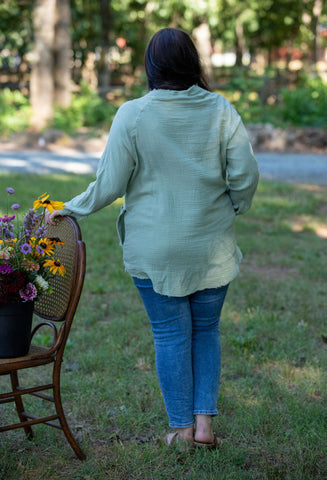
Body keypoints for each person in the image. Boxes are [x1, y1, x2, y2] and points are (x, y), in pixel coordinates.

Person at [46, 28, 259, 451]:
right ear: (192, 63)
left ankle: (180, 429)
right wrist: (237, 205)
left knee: (170, 335)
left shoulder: (133, 114)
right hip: (209, 245)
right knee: (207, 331)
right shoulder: (220, 109)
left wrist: (65, 208)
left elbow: (108, 185)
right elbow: (246, 175)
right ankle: (203, 426)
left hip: (154, 249)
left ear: (150, 66)